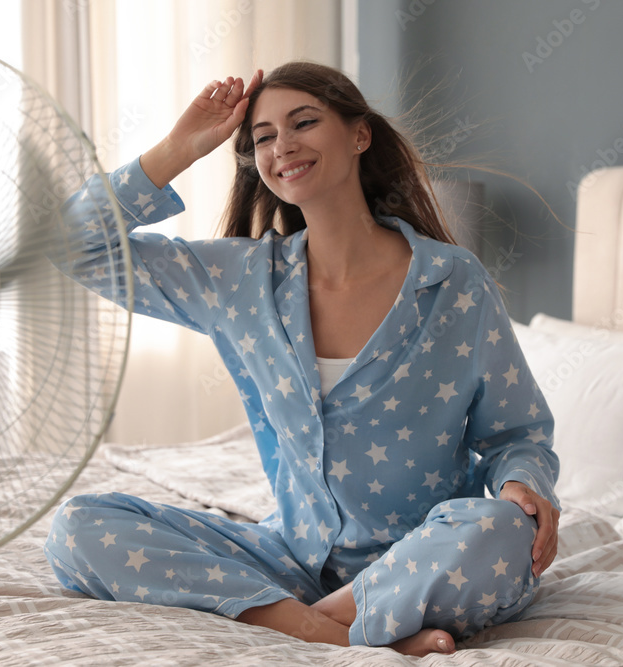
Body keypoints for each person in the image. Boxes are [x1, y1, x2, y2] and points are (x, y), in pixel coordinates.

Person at [44, 61, 560, 657]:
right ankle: (334, 629)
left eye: (304, 122)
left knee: (498, 529)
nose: (282, 145)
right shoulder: (242, 279)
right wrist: (179, 148)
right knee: (78, 528)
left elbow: (516, 432)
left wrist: (523, 484)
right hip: (292, 558)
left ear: (359, 135)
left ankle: (309, 619)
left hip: (427, 553)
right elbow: (70, 245)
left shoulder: (453, 282)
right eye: (263, 137)